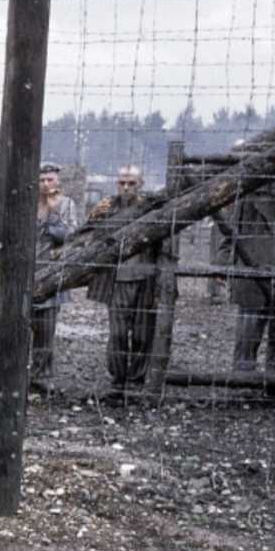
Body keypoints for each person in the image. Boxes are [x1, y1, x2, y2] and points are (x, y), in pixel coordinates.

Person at [82, 166, 171, 392]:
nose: (126, 187)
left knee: (143, 334)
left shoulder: (151, 208)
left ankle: (136, 379)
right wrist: (94, 218)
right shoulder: (107, 207)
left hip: (145, 278)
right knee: (118, 333)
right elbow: (87, 238)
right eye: (122, 183)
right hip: (117, 279)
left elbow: (165, 244)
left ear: (141, 184)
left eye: (131, 183)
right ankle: (118, 379)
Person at [30, 162, 80, 393]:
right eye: (41, 180)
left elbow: (69, 235)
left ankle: (41, 376)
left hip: (51, 273)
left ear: (57, 181)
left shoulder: (66, 204)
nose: (45, 184)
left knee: (45, 330)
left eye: (50, 180)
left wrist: (53, 212)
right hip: (25, 273)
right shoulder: (27, 202)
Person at [227, 152, 275, 373]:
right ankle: (243, 382)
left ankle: (271, 385)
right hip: (252, 273)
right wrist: (225, 264)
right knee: (248, 334)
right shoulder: (248, 194)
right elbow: (229, 232)